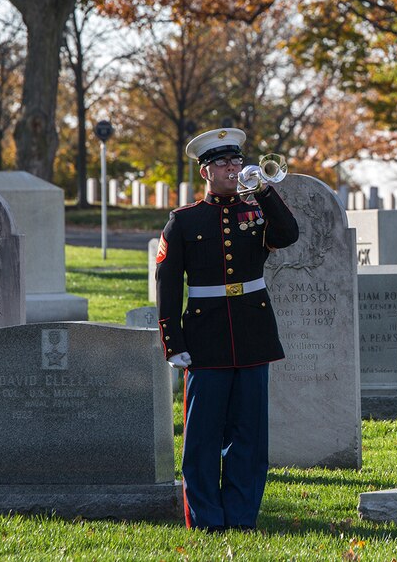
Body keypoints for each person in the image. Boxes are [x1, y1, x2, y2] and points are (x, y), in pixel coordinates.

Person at [155, 127, 299, 532]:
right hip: (206, 336)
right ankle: (207, 518)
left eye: (236, 161)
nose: (233, 168)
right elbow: (168, 284)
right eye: (222, 163)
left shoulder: (255, 212)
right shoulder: (183, 222)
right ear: (205, 172)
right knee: (202, 438)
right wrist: (172, 341)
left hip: (253, 333)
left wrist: (265, 191)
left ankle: (240, 516)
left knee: (249, 436)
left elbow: (288, 234)